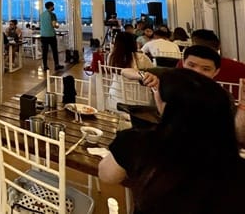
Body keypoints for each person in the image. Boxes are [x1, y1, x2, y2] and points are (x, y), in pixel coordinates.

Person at [99, 68, 245, 214]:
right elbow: (125, 71)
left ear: (167, 105)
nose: (197, 70)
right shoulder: (230, 163)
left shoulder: (139, 143)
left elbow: (107, 175)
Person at [40, 1, 62, 71]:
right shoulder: (52, 14)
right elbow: (54, 25)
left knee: (45, 52)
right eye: (53, 6)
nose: (53, 7)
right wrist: (57, 26)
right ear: (51, 6)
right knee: (54, 51)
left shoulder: (41, 14)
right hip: (51, 35)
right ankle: (56, 65)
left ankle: (45, 66)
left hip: (43, 35)